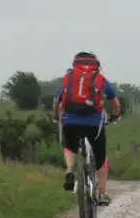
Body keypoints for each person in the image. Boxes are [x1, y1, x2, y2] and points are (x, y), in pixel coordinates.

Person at [52, 52, 121, 206]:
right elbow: (115, 104)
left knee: (69, 145)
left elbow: (56, 102)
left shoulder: (68, 78)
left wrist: (57, 116)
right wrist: (115, 117)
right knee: (100, 155)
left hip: (70, 122)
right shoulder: (100, 79)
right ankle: (102, 194)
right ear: (96, 66)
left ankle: (70, 169)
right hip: (94, 124)